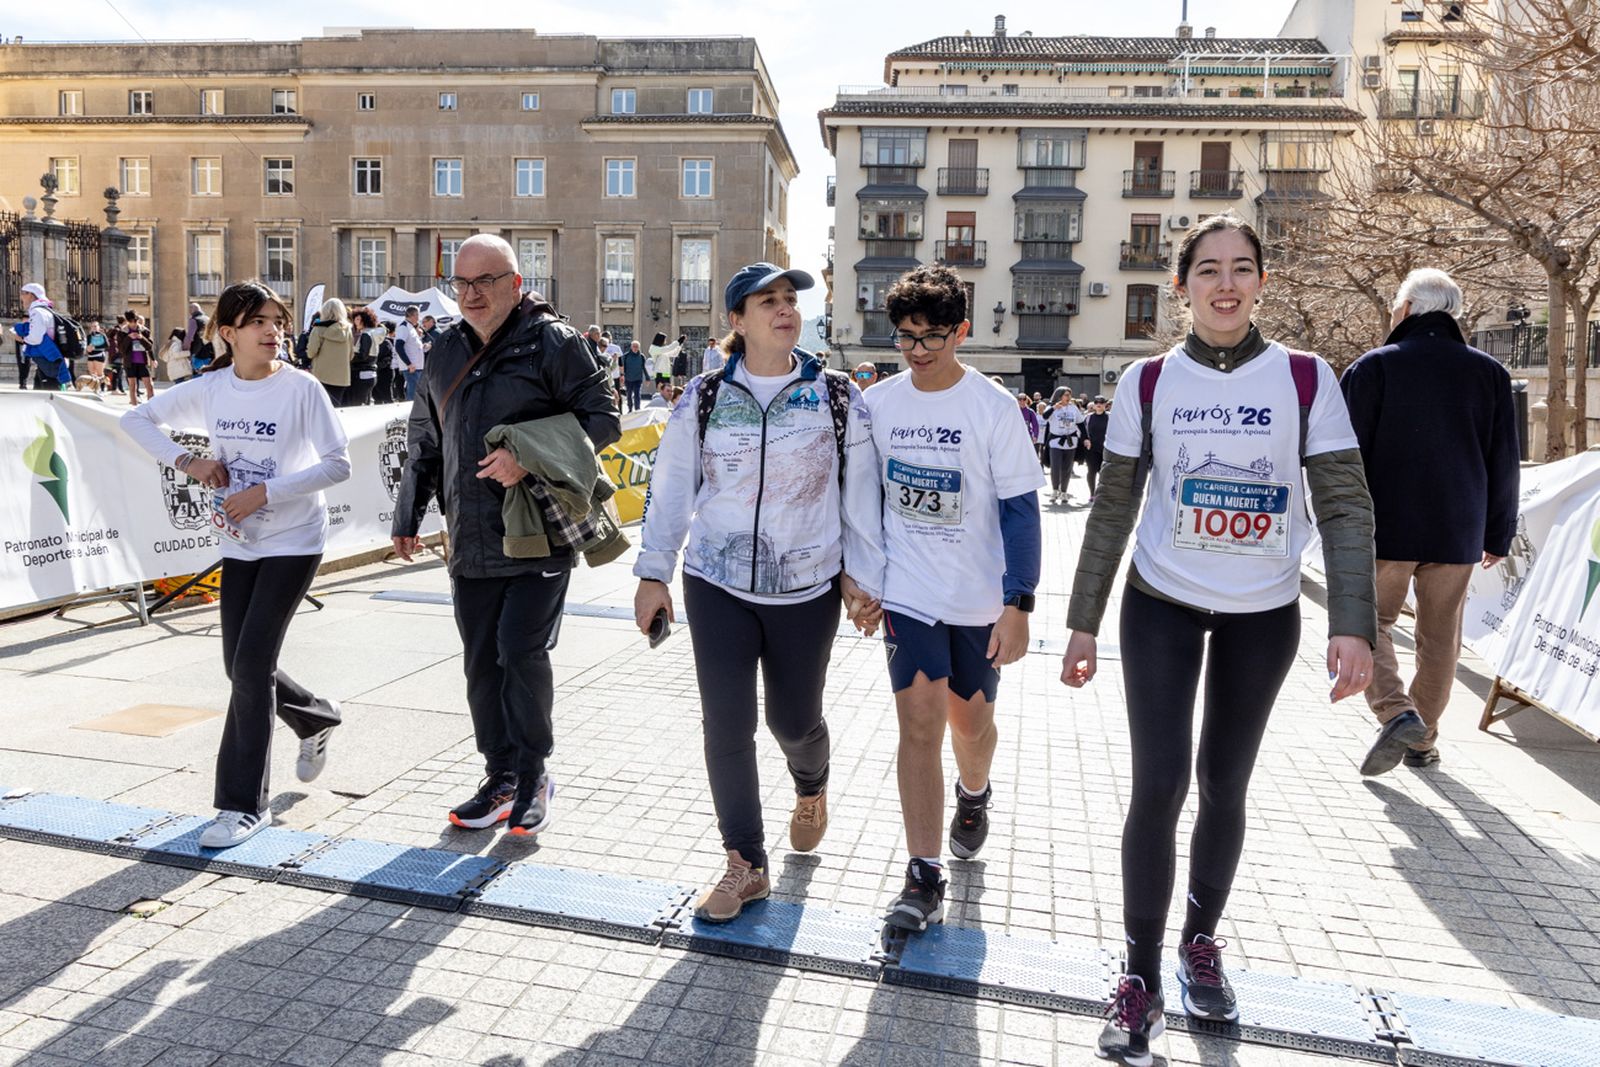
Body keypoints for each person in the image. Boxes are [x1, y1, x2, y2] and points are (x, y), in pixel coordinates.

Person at [1060, 214, 1376, 1065]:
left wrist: (1354, 621)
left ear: (1263, 282)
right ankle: (1138, 978)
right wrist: (1082, 621)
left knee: (1222, 782)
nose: (1225, 284)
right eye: (1207, 270)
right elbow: (1114, 508)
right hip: (1160, 602)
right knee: (1157, 786)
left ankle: (1201, 944)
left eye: (1241, 269)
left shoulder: (1307, 378)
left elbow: (1346, 505)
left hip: (1262, 616)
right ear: (1182, 285)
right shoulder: (1150, 381)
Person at [633, 261, 885, 923]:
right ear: (737, 322)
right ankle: (746, 863)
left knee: (791, 719)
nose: (784, 309)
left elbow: (860, 497)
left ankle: (812, 783)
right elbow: (672, 488)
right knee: (727, 723)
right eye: (766, 301)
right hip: (716, 581)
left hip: (807, 586)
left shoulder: (835, 396)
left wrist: (864, 577)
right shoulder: (705, 397)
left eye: (789, 299)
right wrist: (653, 572)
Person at [392, 234, 620, 836]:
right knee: (480, 664)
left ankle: (534, 771)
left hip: (538, 531)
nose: (471, 295)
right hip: (469, 534)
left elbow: (605, 419)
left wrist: (529, 454)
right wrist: (407, 516)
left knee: (520, 650)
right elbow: (426, 438)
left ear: (516, 284)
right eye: (461, 284)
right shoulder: (443, 349)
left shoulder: (554, 342)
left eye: (485, 281)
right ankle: (501, 776)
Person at [120, 280, 350, 848]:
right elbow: (135, 421)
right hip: (239, 542)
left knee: (249, 668)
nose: (273, 331)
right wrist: (188, 462)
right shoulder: (213, 387)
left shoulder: (302, 389)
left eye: (277, 320)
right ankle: (315, 715)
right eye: (258, 323)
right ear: (228, 332)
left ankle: (242, 805)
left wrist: (266, 492)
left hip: (295, 540)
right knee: (239, 666)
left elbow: (338, 464)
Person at [866, 266, 1043, 935]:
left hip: (977, 600)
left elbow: (1022, 511)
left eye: (931, 337)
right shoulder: (879, 405)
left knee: (970, 729)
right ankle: (922, 872)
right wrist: (861, 580)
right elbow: (864, 500)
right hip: (908, 596)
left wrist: (1018, 601)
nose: (916, 350)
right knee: (918, 726)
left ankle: (975, 792)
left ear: (960, 332)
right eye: (905, 336)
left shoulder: (992, 408)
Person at [1341, 268, 1520, 775]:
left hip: (1385, 526)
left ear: (1406, 310)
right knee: (1442, 637)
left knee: (1367, 623)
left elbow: (1344, 456)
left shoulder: (1373, 367)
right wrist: (1498, 533)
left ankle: (1397, 713)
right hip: (1458, 529)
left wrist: (1337, 523)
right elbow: (1503, 460)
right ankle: (1423, 742)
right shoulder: (1489, 374)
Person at [10, 283, 71, 391]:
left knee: (51, 398)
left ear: (32, 295)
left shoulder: (37, 312)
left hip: (48, 360)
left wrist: (21, 338)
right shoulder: (44, 310)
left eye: (23, 293)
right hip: (46, 360)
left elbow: (36, 338)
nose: (21, 297)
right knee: (39, 398)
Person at [306, 298, 353, 407]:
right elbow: (350, 355)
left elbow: (311, 353)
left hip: (321, 375)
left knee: (320, 409)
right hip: (342, 377)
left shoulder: (318, 329)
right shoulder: (347, 330)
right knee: (335, 410)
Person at [1044, 388, 1081, 505]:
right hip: (1056, 441)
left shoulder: (1073, 408)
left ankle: (1064, 491)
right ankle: (1055, 490)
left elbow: (1081, 423)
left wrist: (1086, 438)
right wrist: (1054, 407)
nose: (1068, 397)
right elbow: (1045, 416)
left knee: (1067, 468)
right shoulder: (1052, 407)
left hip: (1070, 441)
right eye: (1066, 395)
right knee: (1055, 467)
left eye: (1069, 395)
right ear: (1059, 396)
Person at [347, 307, 381, 406]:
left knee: (357, 405)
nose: (355, 322)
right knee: (365, 404)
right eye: (355, 319)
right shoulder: (372, 333)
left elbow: (363, 355)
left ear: (364, 320)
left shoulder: (366, 334)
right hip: (370, 373)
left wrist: (349, 358)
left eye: (358, 319)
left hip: (362, 374)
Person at [121, 311, 155, 404]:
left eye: (135, 321)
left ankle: (152, 406)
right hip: (130, 362)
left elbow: (149, 346)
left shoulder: (144, 331)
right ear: (128, 321)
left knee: (150, 386)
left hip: (142, 362)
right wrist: (129, 338)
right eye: (131, 322)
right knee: (133, 387)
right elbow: (121, 349)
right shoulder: (122, 332)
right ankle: (134, 408)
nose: (134, 324)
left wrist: (141, 338)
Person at [396, 305, 427, 401]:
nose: (419, 318)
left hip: (416, 366)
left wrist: (424, 346)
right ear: (413, 315)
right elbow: (399, 346)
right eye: (418, 315)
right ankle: (410, 414)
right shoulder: (404, 327)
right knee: (413, 394)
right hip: (411, 367)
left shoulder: (411, 328)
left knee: (416, 393)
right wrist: (408, 363)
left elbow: (413, 346)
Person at [1083, 395, 1109, 501]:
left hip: (1106, 449)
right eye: (1097, 402)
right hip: (1091, 449)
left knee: (1104, 472)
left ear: (1105, 405)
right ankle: (1092, 493)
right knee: (1091, 471)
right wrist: (1085, 440)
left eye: (1101, 403)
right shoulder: (1088, 417)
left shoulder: (1110, 417)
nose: (1099, 404)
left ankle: (1102, 493)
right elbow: (1083, 431)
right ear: (1094, 405)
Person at [620, 340, 646, 412]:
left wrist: (647, 377)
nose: (635, 348)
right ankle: (630, 408)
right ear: (631, 347)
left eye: (637, 347)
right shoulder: (626, 356)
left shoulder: (641, 356)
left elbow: (644, 367)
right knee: (629, 395)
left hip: (638, 378)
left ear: (639, 347)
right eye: (634, 346)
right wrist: (622, 376)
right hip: (628, 379)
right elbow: (622, 367)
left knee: (637, 394)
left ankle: (637, 409)